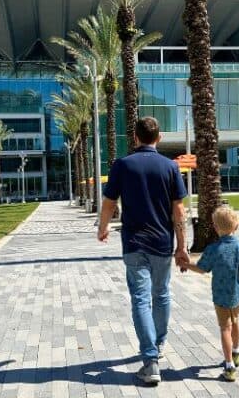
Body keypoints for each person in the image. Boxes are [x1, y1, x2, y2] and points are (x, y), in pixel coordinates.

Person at [97, 117, 188, 385]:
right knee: (161, 294)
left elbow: (109, 203)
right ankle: (158, 345)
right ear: (159, 138)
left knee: (140, 298)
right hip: (162, 243)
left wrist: (103, 228)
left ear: (135, 138)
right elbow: (179, 210)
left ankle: (150, 362)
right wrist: (182, 246)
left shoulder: (122, 165)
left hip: (134, 244)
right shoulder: (170, 167)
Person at [179, 206, 239, 382]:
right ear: (236, 226)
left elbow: (201, 269)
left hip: (220, 296)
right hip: (237, 294)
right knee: (235, 322)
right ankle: (236, 352)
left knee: (225, 328)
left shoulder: (213, 249)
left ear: (215, 227)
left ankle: (229, 366)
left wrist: (185, 264)